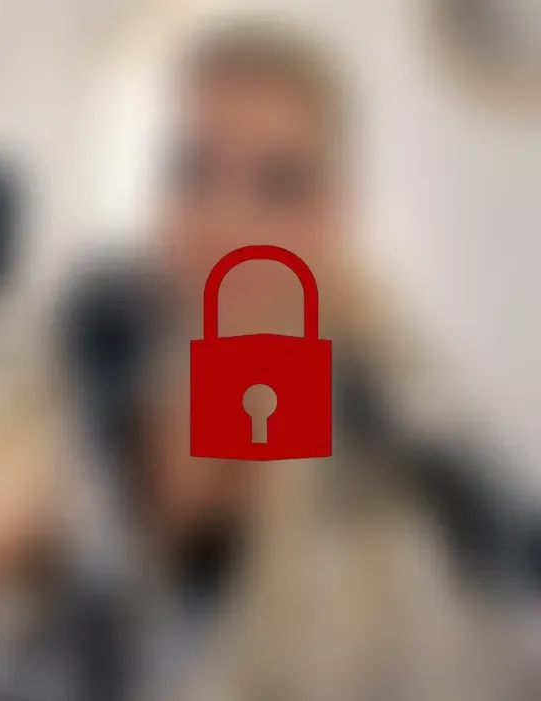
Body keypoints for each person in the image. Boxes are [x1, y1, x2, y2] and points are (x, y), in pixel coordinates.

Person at [63, 17, 524, 701]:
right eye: (191, 170)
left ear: (336, 214)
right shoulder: (92, 360)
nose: (227, 222)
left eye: (280, 185)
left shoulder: (406, 430)